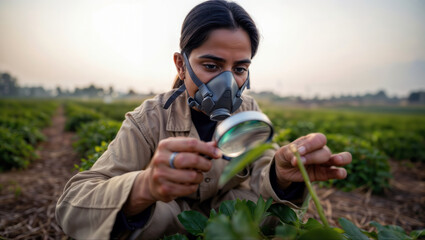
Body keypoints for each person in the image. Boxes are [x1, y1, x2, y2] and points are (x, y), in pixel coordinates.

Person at [56, 1, 352, 239]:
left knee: (265, 210)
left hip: (229, 222)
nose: (228, 82)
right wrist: (144, 186)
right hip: (165, 224)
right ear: (181, 65)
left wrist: (281, 174)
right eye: (211, 65)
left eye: (239, 69)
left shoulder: (249, 112)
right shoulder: (148, 119)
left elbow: (263, 178)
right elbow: (72, 206)